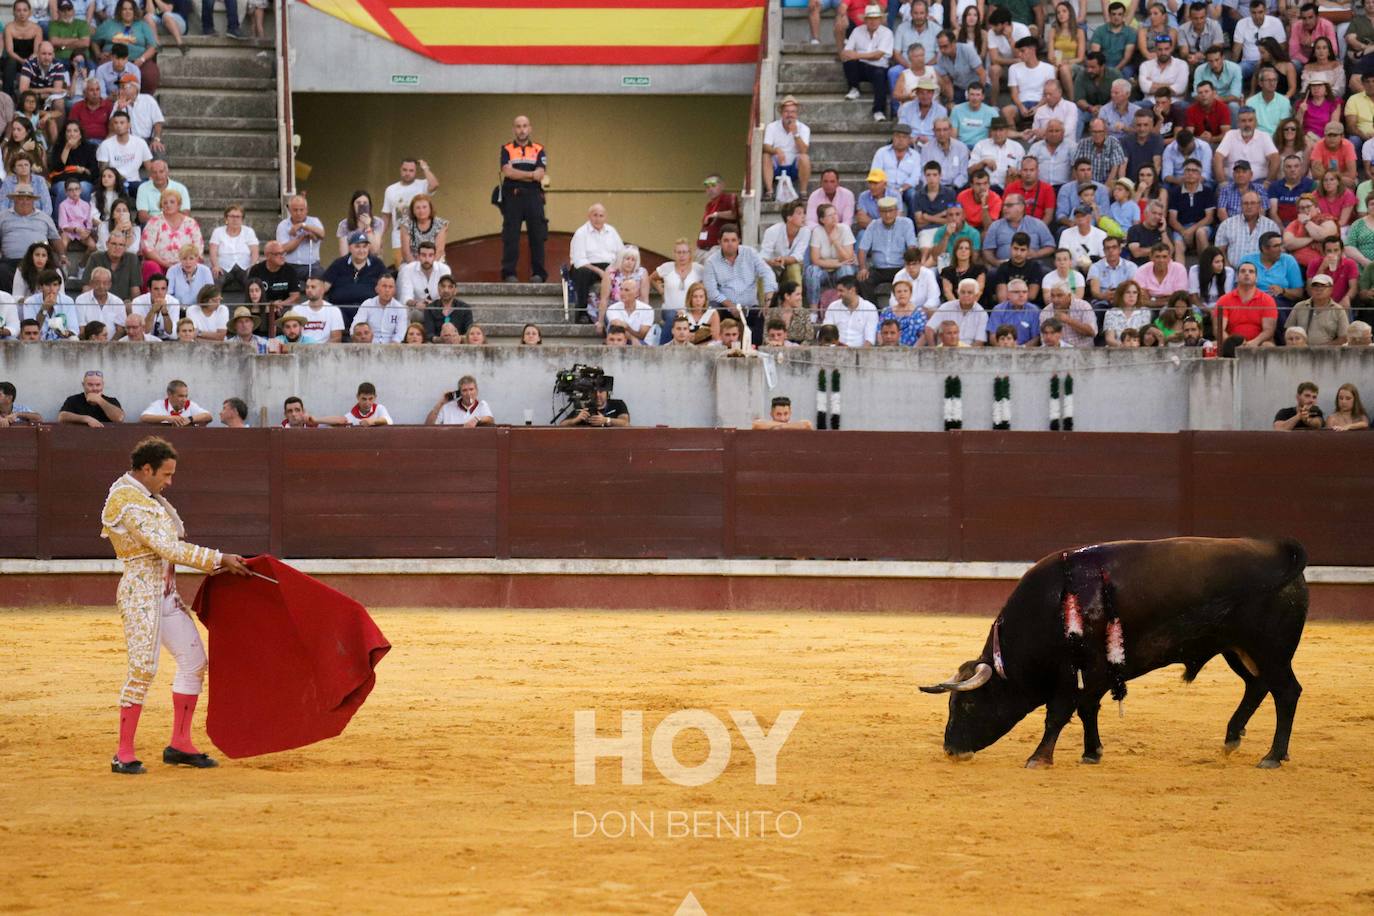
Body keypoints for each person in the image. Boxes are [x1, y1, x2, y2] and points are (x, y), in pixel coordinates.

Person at [101, 437, 252, 775]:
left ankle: (180, 743)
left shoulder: (147, 498)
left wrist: (218, 560)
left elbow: (169, 550)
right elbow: (167, 548)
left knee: (194, 662)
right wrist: (218, 558)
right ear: (146, 469)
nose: (169, 482)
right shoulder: (127, 500)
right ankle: (123, 752)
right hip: (140, 594)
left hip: (165, 594)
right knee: (142, 669)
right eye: (165, 474)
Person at [568, 203, 622, 320]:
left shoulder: (612, 231)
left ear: (605, 217)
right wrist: (600, 272)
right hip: (587, 267)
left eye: (601, 215)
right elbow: (579, 260)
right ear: (589, 216)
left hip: (609, 266)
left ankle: (620, 312)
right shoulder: (581, 233)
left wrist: (611, 269)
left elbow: (621, 254)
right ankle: (582, 312)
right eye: (595, 215)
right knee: (583, 272)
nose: (598, 219)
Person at [841, 5, 894, 122]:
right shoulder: (857, 31)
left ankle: (879, 110)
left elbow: (878, 55)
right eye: (870, 18)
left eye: (876, 18)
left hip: (878, 67)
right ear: (865, 20)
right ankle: (854, 88)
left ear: (880, 19)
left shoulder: (887, 33)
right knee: (848, 61)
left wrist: (857, 55)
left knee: (880, 75)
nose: (873, 21)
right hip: (861, 66)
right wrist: (854, 55)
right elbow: (847, 52)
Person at [1216, 260, 1277, 347]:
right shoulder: (1224, 300)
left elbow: (1269, 330)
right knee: (1212, 345)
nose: (1247, 274)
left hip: (1258, 344)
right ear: (1237, 277)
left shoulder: (1267, 300)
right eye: (1243, 271)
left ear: (1256, 277)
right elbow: (1219, 329)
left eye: (1251, 271)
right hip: (1231, 344)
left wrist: (1253, 343)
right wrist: (1231, 344)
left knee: (1268, 345)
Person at [762, 95, 812, 198]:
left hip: (794, 168)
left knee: (805, 158)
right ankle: (769, 192)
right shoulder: (772, 127)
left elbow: (804, 150)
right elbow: (765, 146)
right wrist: (775, 150)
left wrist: (796, 134)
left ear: (797, 114)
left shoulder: (804, 128)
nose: (790, 115)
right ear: (781, 112)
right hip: (777, 166)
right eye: (786, 111)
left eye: (793, 112)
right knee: (766, 155)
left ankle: (803, 193)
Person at [1284, 273, 1349, 345]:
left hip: (1327, 353)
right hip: (1301, 351)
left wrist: (1321, 348)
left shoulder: (1339, 310)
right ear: (1311, 289)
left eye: (1323, 286)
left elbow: (1343, 338)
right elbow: (1288, 331)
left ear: (1331, 289)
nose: (1319, 289)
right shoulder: (1299, 306)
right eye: (1315, 286)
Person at [823, 275, 880, 347]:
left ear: (852, 290)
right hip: (835, 352)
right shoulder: (833, 307)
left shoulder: (870, 308)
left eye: (841, 291)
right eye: (837, 291)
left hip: (862, 353)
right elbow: (827, 333)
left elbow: (870, 339)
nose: (838, 294)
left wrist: (859, 355)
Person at [351, 274, 406, 344]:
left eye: (390, 287)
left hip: (391, 347)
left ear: (394, 291)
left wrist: (391, 348)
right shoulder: (368, 304)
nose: (387, 290)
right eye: (384, 286)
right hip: (368, 345)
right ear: (377, 289)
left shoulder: (400, 308)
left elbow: (400, 334)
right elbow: (355, 326)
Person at [986, 277, 1042, 345]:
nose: (1021, 295)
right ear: (1008, 294)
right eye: (1016, 292)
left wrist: (1021, 349)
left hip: (1026, 352)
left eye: (1024, 292)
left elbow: (1036, 338)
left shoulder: (1034, 310)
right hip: (1002, 351)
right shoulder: (998, 310)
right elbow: (993, 336)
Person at [696, 173, 738, 260]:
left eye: (713, 185)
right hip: (703, 249)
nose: (710, 189)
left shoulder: (728, 198)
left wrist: (717, 214)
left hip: (717, 248)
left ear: (722, 186)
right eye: (707, 186)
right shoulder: (709, 205)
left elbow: (735, 214)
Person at [425, 375, 494, 427]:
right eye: (464, 390)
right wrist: (441, 403)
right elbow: (428, 425)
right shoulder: (447, 407)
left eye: (471, 389)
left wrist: (476, 419)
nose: (468, 393)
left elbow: (490, 420)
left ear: (477, 391)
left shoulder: (482, 405)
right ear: (460, 393)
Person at [557, 378, 629, 427]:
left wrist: (606, 420)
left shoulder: (618, 404)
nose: (597, 395)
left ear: (607, 393)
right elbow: (562, 425)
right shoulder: (584, 406)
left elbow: (625, 423)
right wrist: (576, 420)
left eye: (601, 391)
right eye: (594, 392)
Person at [138, 379, 211, 426]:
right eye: (181, 396)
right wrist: (168, 418)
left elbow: (208, 416)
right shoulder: (159, 405)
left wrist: (190, 419)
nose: (184, 400)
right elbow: (143, 418)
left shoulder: (190, 405)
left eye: (186, 396)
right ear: (169, 394)